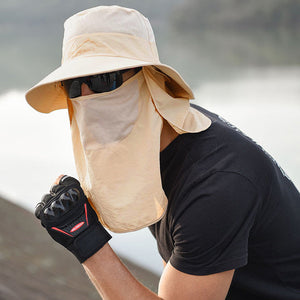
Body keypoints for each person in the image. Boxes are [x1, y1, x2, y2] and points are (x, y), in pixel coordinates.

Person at [26, 5, 300, 300]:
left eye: (104, 80)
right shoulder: (161, 136)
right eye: (74, 87)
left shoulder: (216, 185)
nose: (89, 98)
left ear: (150, 80)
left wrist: (86, 240)